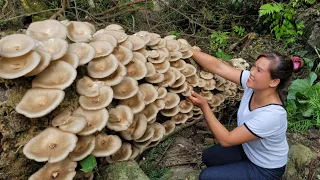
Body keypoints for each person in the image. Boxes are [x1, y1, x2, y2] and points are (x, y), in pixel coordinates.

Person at [187, 50, 304, 180]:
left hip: (265, 169)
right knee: (208, 157)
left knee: (206, 177)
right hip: (249, 149)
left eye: (259, 70)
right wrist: (188, 50)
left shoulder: (272, 116)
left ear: (274, 82)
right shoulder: (253, 84)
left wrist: (204, 106)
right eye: (254, 66)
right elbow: (218, 67)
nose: (252, 72)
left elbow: (226, 139)